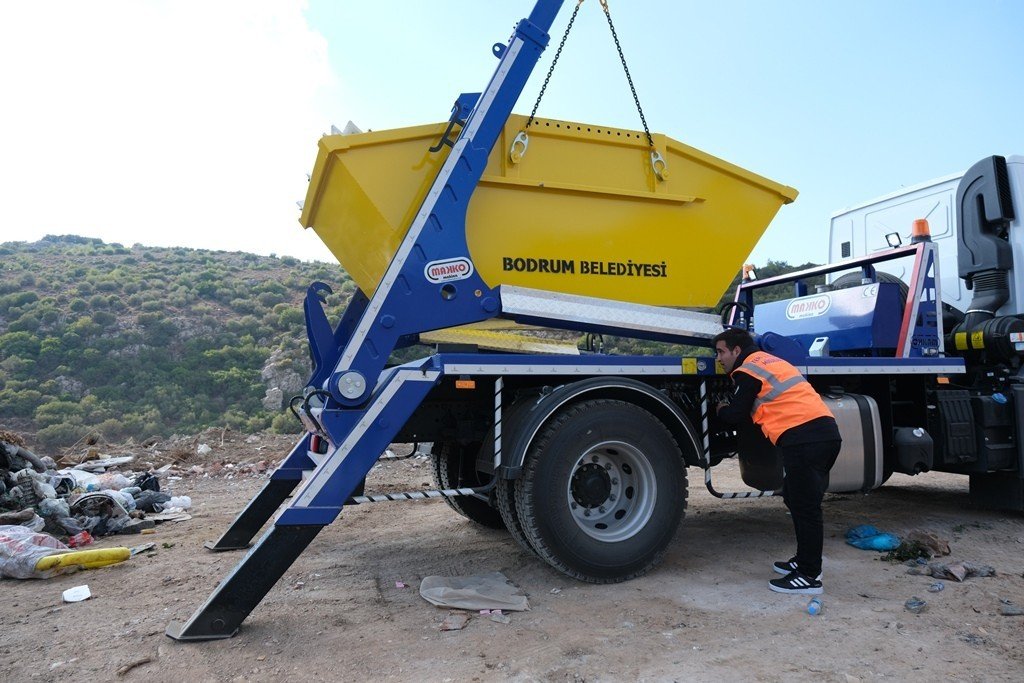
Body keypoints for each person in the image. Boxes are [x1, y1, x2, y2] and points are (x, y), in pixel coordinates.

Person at [712, 328, 842, 595]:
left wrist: (721, 409)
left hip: (805, 439)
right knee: (794, 497)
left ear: (737, 350)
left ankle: (809, 575)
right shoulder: (771, 361)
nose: (719, 358)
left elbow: (736, 415)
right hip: (820, 435)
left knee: (805, 506)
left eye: (721, 352)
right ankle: (804, 560)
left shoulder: (748, 369)